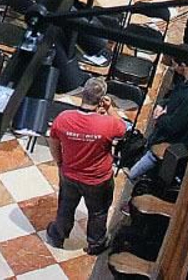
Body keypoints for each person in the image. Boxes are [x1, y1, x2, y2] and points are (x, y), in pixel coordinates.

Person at [46, 78, 129, 255]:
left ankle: (57, 236)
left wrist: (59, 162)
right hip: (97, 180)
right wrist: (110, 109)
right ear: (101, 100)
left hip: (69, 175)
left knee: (65, 207)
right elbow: (124, 129)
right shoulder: (108, 124)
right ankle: (96, 244)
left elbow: (53, 141)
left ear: (83, 95)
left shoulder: (63, 118)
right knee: (98, 213)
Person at [128, 58, 188, 182]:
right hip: (164, 124)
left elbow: (176, 125)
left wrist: (160, 117)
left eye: (174, 64)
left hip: (172, 137)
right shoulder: (186, 79)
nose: (172, 68)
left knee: (153, 152)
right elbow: (172, 94)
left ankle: (134, 175)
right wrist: (162, 104)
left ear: (182, 65)